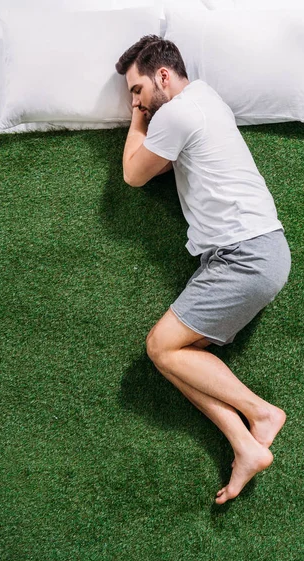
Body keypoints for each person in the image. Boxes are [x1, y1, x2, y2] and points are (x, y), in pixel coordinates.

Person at [115, 35, 291, 504]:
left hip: (245, 254)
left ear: (163, 76)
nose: (135, 101)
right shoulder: (206, 96)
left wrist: (138, 117)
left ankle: (261, 413)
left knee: (160, 346)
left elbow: (133, 174)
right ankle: (244, 442)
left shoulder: (176, 112)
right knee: (177, 357)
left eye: (136, 89)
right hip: (252, 253)